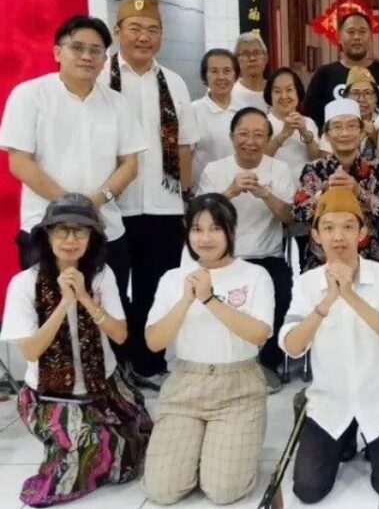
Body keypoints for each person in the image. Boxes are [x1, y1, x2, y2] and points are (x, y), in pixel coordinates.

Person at [0, 194, 152, 508]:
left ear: (91, 237)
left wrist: (84, 297)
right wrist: (64, 303)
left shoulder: (102, 275)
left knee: (127, 460)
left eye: (80, 231)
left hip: (104, 388)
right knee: (86, 453)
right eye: (62, 230)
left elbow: (120, 334)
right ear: (47, 235)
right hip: (51, 395)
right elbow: (31, 351)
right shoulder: (24, 283)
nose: (71, 240)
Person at [281, 187, 379, 503]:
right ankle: (344, 437)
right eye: (328, 228)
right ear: (316, 235)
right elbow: (291, 346)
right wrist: (328, 299)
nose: (338, 237)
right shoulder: (306, 283)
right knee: (308, 490)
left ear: (362, 233)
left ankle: (370, 435)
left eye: (348, 227)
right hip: (329, 402)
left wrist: (350, 295)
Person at [141, 193, 274, 506]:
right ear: (187, 232)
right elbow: (154, 341)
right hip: (185, 385)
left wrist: (209, 299)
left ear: (232, 231)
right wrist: (187, 299)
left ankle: (225, 449)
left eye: (215, 228)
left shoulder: (255, 275)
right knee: (162, 491)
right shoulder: (173, 279)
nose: (206, 238)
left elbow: (259, 335)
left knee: (224, 491)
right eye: (197, 229)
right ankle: (201, 450)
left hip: (238, 388)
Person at [0, 15, 144, 288]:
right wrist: (71, 209)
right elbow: (19, 162)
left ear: (104, 59)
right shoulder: (29, 95)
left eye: (96, 50)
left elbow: (130, 165)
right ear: (58, 52)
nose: (87, 56)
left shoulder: (118, 104)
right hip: (44, 229)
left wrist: (94, 203)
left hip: (106, 230)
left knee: (108, 308)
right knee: (49, 308)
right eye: (77, 48)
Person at [100, 0, 197, 390]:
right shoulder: (100, 79)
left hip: (163, 206)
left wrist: (185, 201)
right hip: (110, 207)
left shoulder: (173, 82)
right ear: (117, 31)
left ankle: (147, 363)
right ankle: (114, 366)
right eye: (135, 28)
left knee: (154, 289)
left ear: (162, 36)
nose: (144, 37)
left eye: (152, 30)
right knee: (108, 289)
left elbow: (185, 146)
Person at [196, 107, 296, 393]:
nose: (250, 141)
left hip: (267, 257)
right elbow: (199, 219)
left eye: (258, 135)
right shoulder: (215, 170)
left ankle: (267, 363)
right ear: (231, 137)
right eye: (243, 134)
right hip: (222, 258)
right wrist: (228, 192)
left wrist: (266, 194)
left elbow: (290, 217)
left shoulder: (279, 170)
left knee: (283, 292)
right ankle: (218, 362)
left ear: (268, 139)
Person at [293, 99, 379, 270]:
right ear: (327, 135)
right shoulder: (314, 170)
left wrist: (359, 192)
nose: (345, 133)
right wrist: (323, 193)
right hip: (322, 264)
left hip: (372, 262)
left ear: (361, 132)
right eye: (337, 127)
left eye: (351, 126)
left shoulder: (378, 168)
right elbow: (298, 214)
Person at [303, 11, 379, 131]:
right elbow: (310, 120)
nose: (357, 37)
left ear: (370, 36)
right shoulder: (324, 75)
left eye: (362, 31)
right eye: (350, 32)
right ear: (339, 36)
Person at [190, 48, 241, 183]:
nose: (221, 77)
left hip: (242, 187)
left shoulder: (244, 111)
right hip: (205, 189)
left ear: (235, 75)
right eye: (214, 71)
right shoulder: (193, 111)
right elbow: (185, 155)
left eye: (227, 71)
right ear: (205, 75)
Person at [264, 66, 321, 179]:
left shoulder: (309, 122)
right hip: (274, 185)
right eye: (277, 91)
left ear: (298, 92)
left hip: (305, 186)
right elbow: (260, 159)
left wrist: (305, 133)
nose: (284, 96)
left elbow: (316, 158)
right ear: (270, 95)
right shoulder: (263, 123)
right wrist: (283, 135)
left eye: (289, 90)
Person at [231, 32, 271, 111]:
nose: (252, 58)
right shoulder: (230, 93)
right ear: (236, 60)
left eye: (257, 53)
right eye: (245, 54)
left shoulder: (275, 90)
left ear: (266, 58)